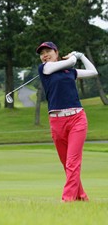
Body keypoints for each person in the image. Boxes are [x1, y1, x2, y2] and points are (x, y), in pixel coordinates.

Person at [36, 42, 98, 202]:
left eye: (48, 51)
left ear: (57, 52)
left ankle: (68, 199)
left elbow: (93, 71)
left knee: (72, 162)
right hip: (56, 122)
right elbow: (70, 61)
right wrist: (74, 56)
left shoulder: (70, 71)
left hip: (77, 118)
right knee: (67, 163)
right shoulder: (44, 69)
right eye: (42, 53)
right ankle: (81, 196)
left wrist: (81, 55)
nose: (45, 55)